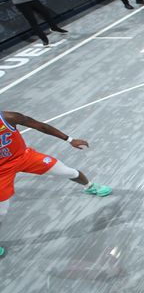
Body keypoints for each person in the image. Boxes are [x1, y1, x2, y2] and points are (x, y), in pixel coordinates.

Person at [0, 110, 113, 257]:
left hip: (24, 157)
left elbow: (40, 126)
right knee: (1, 212)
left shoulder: (8, 117)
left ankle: (90, 186)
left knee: (67, 171)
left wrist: (70, 139)